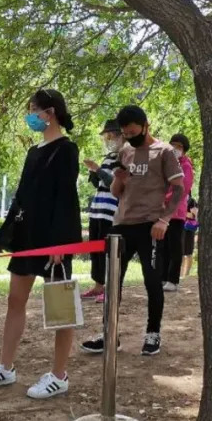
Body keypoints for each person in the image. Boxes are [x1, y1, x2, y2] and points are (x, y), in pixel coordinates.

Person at [0, 89, 81, 399]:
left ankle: (59, 375)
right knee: (15, 300)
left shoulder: (67, 149)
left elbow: (67, 198)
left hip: (55, 241)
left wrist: (62, 243)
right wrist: (5, 236)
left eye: (34, 110)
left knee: (61, 307)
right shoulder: (34, 151)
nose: (30, 116)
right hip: (28, 238)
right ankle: (5, 367)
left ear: (50, 112)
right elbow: (21, 197)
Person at [80, 105, 183, 356]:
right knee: (112, 282)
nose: (129, 137)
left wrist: (164, 220)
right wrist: (119, 179)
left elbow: (179, 188)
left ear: (146, 126)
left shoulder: (164, 151)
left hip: (150, 226)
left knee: (152, 281)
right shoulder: (125, 152)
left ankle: (153, 333)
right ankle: (109, 333)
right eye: (125, 134)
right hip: (121, 225)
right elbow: (117, 192)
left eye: (133, 133)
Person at [82, 119, 123, 301]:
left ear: (121, 136)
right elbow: (100, 184)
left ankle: (110, 288)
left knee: (108, 252)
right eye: (106, 137)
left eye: (110, 136)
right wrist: (93, 173)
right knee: (95, 250)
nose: (108, 140)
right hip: (97, 210)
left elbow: (114, 184)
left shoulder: (124, 158)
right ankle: (98, 286)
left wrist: (98, 170)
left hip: (111, 212)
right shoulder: (108, 157)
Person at [156, 133, 195, 292]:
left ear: (184, 149)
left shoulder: (186, 166)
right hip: (162, 211)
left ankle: (173, 279)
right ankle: (162, 277)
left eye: (179, 146)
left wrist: (165, 198)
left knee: (174, 247)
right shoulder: (166, 163)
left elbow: (183, 188)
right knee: (162, 246)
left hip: (176, 212)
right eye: (173, 145)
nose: (175, 148)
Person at [181, 198, 199, 279]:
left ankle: (186, 275)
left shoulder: (191, 201)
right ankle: (179, 274)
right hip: (178, 228)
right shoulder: (175, 198)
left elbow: (193, 215)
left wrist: (181, 213)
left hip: (188, 228)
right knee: (179, 252)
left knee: (188, 252)